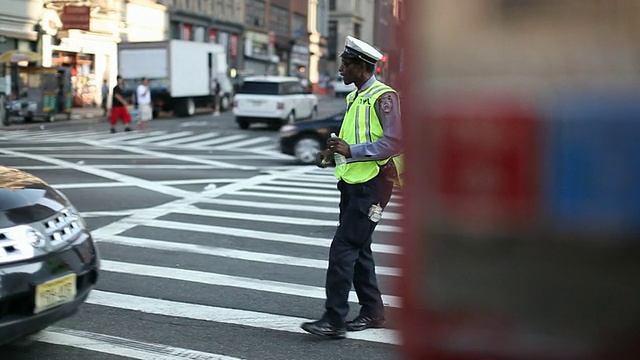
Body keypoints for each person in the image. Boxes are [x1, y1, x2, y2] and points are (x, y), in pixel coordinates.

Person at [300, 35, 403, 339]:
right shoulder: (355, 97)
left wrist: (351, 151)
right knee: (359, 249)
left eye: (345, 65)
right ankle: (373, 311)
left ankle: (333, 319)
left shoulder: (384, 96)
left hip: (373, 184)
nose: (341, 70)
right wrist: (334, 151)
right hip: (353, 183)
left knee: (343, 249)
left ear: (361, 66)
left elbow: (396, 141)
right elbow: (355, 136)